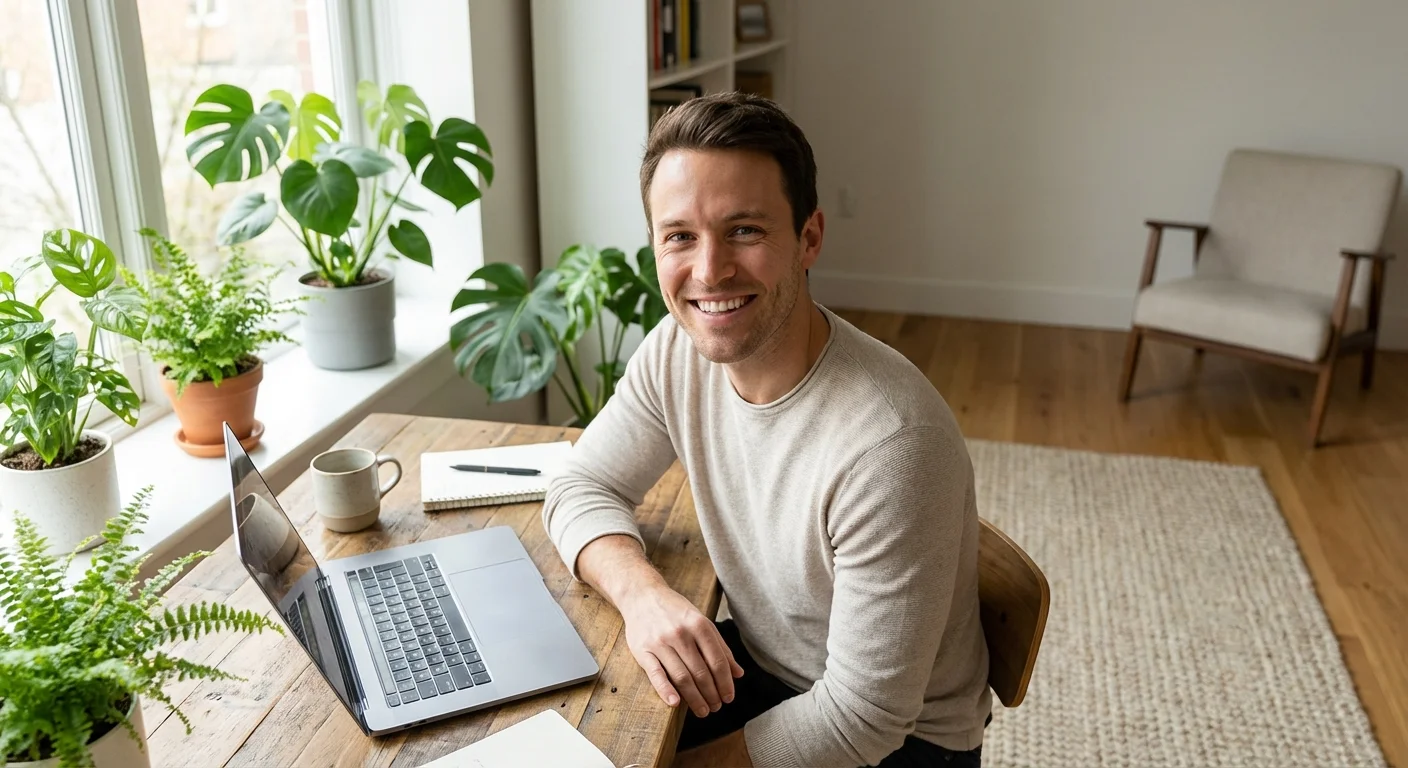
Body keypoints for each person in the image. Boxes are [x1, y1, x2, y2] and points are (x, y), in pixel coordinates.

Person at [542, 92, 990, 768]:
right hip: (766, 671)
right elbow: (580, 483)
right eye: (680, 236)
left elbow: (860, 722)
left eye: (745, 230)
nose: (709, 271)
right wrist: (644, 596)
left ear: (808, 238)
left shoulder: (892, 445)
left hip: (899, 742)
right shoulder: (677, 350)